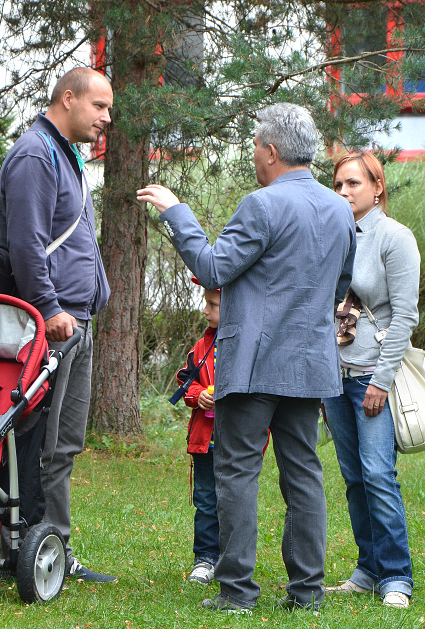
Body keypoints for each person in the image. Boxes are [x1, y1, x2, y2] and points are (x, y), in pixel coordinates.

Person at [137, 103, 356, 613]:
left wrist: (176, 212)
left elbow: (213, 268)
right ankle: (306, 594)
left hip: (254, 366)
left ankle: (236, 592)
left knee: (235, 472)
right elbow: (340, 287)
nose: (254, 155)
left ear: (272, 151)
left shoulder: (262, 204)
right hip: (310, 364)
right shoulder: (339, 209)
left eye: (256, 146)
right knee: (303, 474)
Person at [0, 67, 114, 583]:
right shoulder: (34, 155)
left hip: (77, 320)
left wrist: (99, 294)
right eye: (100, 107)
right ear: (69, 99)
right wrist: (47, 308)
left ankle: (54, 550)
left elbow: (79, 231)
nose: (106, 119)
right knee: (37, 444)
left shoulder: (67, 156)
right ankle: (22, 546)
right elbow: (26, 243)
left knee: (64, 443)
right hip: (52, 325)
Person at [321, 151, 420, 609]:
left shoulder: (394, 238)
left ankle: (396, 576)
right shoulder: (335, 233)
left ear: (377, 188)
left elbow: (404, 316)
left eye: (353, 184)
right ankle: (367, 568)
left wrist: (381, 380)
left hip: (370, 378)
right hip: (334, 375)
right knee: (354, 477)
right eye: (338, 184)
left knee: (379, 474)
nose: (343, 192)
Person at [175, 278, 221, 585]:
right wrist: (198, 394)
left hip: (239, 442)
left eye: (213, 305)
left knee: (233, 500)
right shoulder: (202, 346)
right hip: (206, 441)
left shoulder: (250, 344)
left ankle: (232, 557)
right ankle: (205, 559)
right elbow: (185, 380)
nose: (205, 310)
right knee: (206, 500)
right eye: (206, 302)